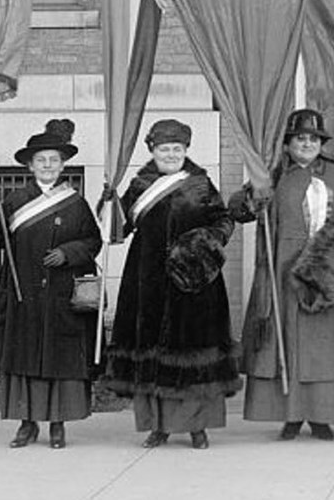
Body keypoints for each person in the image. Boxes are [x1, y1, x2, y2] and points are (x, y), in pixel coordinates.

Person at [230, 109, 334, 441]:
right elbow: (238, 209)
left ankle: (323, 416)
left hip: (327, 268)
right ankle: (291, 416)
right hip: (284, 269)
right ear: (289, 143)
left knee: (327, 345)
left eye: (313, 138)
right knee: (291, 342)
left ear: (320, 142)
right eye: (300, 138)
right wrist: (254, 193)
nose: (307, 143)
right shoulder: (273, 174)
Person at [102, 119, 240, 450]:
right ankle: (158, 427)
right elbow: (117, 230)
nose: (171, 154)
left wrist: (204, 242)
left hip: (194, 282)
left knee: (194, 353)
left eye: (177, 148)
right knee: (153, 354)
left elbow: (223, 220)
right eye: (165, 149)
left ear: (186, 150)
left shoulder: (201, 184)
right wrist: (108, 201)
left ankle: (197, 428)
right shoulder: (138, 185)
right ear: (152, 150)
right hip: (147, 280)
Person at [0, 119, 101, 449]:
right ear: (30, 165)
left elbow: (93, 241)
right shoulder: (16, 200)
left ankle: (58, 425)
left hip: (61, 296)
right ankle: (26, 425)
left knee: (59, 360)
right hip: (24, 296)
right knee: (24, 360)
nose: (48, 166)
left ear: (63, 165)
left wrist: (68, 252)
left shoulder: (76, 203)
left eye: (54, 160)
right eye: (41, 160)